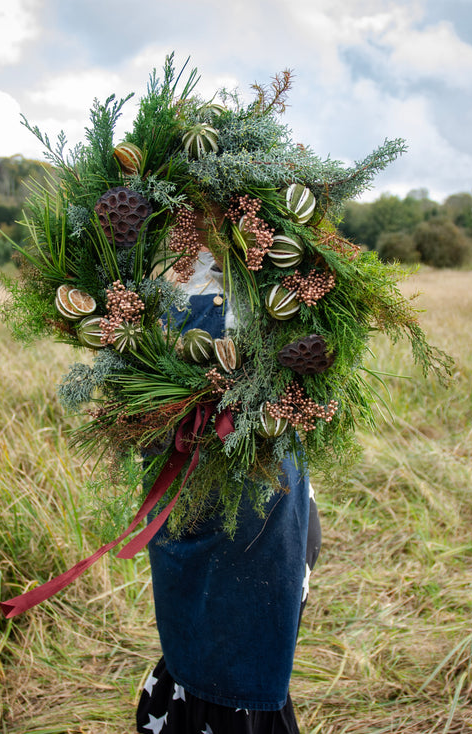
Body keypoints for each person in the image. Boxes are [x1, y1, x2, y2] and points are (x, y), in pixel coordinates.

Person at [135, 249, 323, 734]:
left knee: (252, 648)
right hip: (186, 498)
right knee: (192, 639)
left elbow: (315, 376)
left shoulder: (287, 260)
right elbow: (133, 389)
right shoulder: (151, 264)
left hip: (267, 504)